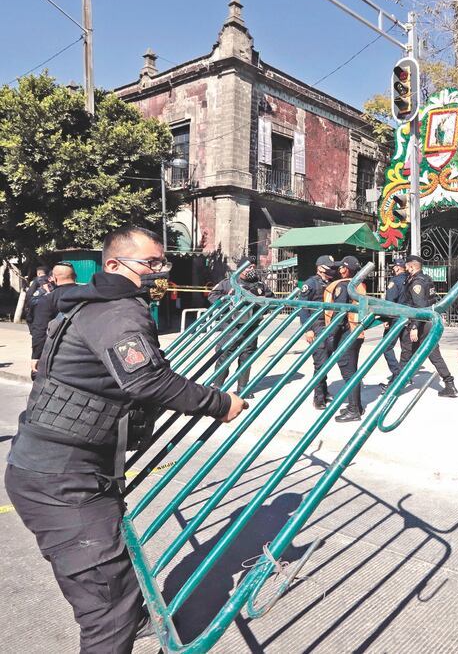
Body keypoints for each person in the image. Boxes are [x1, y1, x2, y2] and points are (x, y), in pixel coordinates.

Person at [4, 226, 247, 653]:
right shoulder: (117, 312)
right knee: (107, 609)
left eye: (162, 262)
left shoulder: (96, 304)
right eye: (150, 264)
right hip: (63, 480)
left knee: (116, 582)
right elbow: (148, 380)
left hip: (65, 470)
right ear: (114, 265)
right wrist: (219, 402)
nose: (160, 272)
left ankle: (134, 621)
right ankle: (123, 624)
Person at [392, 255, 458, 398]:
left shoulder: (417, 283)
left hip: (421, 324)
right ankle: (449, 384)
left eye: (407, 266)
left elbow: (420, 307)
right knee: (417, 355)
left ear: (412, 267)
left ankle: (396, 386)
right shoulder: (425, 279)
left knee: (409, 354)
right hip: (427, 323)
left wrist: (415, 327)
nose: (406, 269)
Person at [208, 257, 274, 398]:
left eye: (252, 267)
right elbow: (212, 296)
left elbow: (271, 300)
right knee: (224, 356)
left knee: (247, 357)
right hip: (230, 327)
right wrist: (228, 300)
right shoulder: (228, 283)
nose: (251, 269)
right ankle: (218, 386)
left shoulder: (260, 285)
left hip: (251, 327)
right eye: (248, 267)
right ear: (239, 269)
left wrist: (261, 306)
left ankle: (243, 388)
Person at [323, 255, 368, 423]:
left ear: (345, 269)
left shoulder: (343, 286)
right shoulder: (357, 285)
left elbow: (339, 315)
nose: (338, 269)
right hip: (356, 333)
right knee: (352, 372)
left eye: (340, 267)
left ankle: (354, 410)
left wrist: (330, 337)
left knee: (349, 374)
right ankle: (356, 405)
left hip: (346, 334)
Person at [298, 255, 337, 410]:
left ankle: (324, 391)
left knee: (326, 362)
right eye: (328, 267)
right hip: (317, 325)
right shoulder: (310, 284)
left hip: (330, 325)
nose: (331, 270)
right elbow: (303, 308)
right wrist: (308, 329)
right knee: (320, 363)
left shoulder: (331, 283)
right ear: (320, 268)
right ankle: (318, 398)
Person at [30, 261, 79, 378]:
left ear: (54, 279)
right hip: (85, 352)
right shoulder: (88, 295)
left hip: (57, 354)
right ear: (75, 277)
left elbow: (40, 330)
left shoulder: (47, 300)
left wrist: (36, 356)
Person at [379, 256, 409, 388]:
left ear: (397, 267)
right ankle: (405, 374)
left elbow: (389, 302)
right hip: (408, 317)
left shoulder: (395, 281)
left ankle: (397, 374)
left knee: (386, 347)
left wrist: (386, 319)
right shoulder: (409, 280)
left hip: (395, 318)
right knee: (405, 348)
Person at [23, 265, 53, 331]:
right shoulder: (51, 279)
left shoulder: (38, 279)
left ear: (38, 273)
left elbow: (29, 294)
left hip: (36, 307)